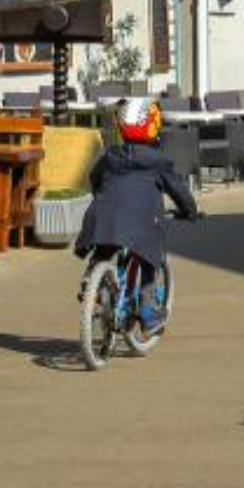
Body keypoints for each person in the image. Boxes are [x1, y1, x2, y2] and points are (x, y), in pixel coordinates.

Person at [74, 98, 201, 329]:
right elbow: (178, 191)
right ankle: (146, 307)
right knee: (150, 256)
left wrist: (101, 196)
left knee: (104, 246)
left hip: (103, 215)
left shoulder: (111, 155)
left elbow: (94, 179)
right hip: (141, 224)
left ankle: (91, 278)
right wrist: (191, 212)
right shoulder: (158, 162)